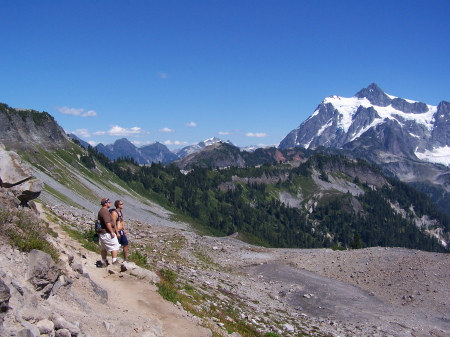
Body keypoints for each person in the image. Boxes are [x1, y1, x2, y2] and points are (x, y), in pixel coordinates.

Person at [97, 198, 120, 267]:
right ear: (105, 203)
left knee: (103, 247)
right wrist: (112, 232)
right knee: (115, 245)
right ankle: (114, 261)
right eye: (109, 202)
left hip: (102, 233)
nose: (110, 203)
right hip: (107, 233)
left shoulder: (102, 211)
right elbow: (107, 223)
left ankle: (104, 261)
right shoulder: (105, 212)